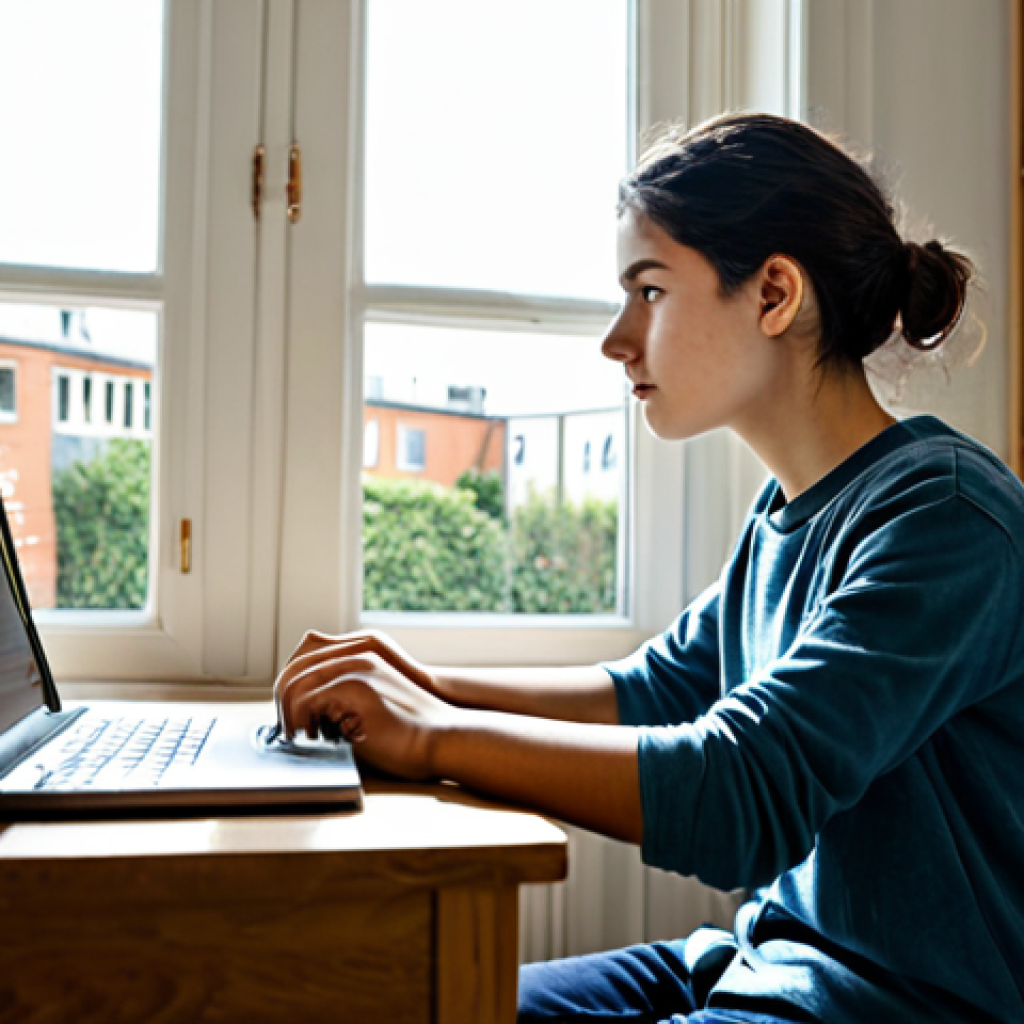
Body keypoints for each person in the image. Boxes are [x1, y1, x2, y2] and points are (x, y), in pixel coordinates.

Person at [274, 113, 1024, 1023]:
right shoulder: (789, 513)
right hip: (756, 962)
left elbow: (742, 788)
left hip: (895, 1006)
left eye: (651, 290)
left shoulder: (946, 519)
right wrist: (425, 685)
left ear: (775, 293)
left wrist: (432, 734)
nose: (616, 338)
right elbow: (655, 690)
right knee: (425, 1004)